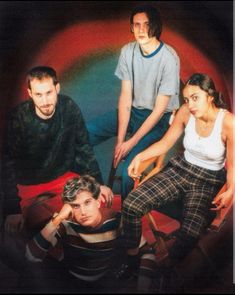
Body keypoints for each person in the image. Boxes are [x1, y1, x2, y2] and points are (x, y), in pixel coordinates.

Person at [116, 73, 235, 280]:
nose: (190, 104)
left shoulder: (229, 123)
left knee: (189, 234)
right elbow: (165, 143)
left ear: (210, 96)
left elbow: (233, 165)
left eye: (195, 98)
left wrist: (231, 190)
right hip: (180, 168)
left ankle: (168, 267)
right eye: (187, 99)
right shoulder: (185, 113)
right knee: (132, 205)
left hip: (208, 180)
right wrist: (140, 156)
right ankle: (132, 259)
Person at [1, 66, 113, 234]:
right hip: (27, 186)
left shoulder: (69, 107)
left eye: (49, 93)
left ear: (57, 88)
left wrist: (98, 184)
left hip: (63, 179)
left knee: (99, 205)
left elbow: (84, 148)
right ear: (30, 93)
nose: (45, 101)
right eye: (38, 94)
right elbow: (6, 165)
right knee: (32, 226)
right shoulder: (18, 117)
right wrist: (12, 208)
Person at [87, 4, 180, 200]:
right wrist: (120, 140)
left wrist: (129, 144)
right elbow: (126, 98)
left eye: (146, 25)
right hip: (133, 112)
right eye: (136, 25)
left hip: (159, 119)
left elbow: (159, 110)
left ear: (155, 26)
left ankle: (128, 220)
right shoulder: (127, 51)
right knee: (84, 133)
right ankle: (89, 196)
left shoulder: (169, 58)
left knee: (129, 170)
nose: (141, 30)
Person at [24, 175, 121, 292]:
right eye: (76, 206)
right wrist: (59, 218)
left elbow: (143, 250)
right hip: (71, 280)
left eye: (87, 202)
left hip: (104, 280)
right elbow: (31, 256)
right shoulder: (65, 223)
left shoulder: (116, 220)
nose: (83, 212)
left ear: (98, 202)